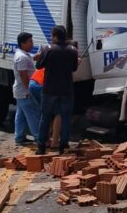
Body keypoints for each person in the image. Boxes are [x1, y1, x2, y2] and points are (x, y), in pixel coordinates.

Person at [35, 26, 78, 155]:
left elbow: (38, 65)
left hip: (49, 89)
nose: (50, 38)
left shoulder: (48, 49)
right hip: (66, 89)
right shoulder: (72, 50)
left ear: (55, 36)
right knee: (65, 118)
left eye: (51, 35)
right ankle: (63, 146)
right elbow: (74, 68)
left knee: (45, 117)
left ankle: (41, 146)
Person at [13, 32, 40, 145]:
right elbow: (23, 75)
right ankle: (39, 138)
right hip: (24, 92)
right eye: (30, 41)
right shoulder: (22, 57)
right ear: (23, 43)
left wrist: (35, 57)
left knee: (21, 115)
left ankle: (19, 137)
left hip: (20, 91)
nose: (32, 44)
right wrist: (29, 90)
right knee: (32, 115)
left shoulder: (24, 55)